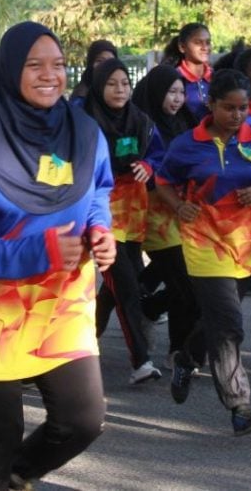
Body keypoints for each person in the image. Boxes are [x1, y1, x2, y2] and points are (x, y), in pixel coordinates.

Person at [0, 22, 115, 491]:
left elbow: (96, 192)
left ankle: (21, 473)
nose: (49, 75)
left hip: (62, 303)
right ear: (10, 72)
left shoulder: (85, 133)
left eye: (57, 65)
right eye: (34, 66)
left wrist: (101, 229)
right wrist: (38, 250)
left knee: (83, 419)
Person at [154, 69, 251, 435]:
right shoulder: (187, 143)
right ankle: (239, 404)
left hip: (245, 245)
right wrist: (178, 206)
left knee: (218, 320)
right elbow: (163, 181)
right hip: (202, 242)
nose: (236, 115)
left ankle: (187, 355)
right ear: (211, 104)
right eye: (228, 107)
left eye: (243, 108)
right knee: (229, 323)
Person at [84, 58, 163, 384]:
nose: (120, 90)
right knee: (127, 287)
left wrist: (149, 165)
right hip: (100, 217)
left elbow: (160, 153)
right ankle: (140, 361)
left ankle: (80, 345)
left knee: (118, 288)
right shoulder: (84, 122)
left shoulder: (141, 121)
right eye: (112, 83)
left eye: (125, 84)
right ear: (99, 86)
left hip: (133, 217)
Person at [131, 65, 198, 366]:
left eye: (181, 92)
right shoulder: (143, 124)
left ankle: (155, 317)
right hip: (156, 215)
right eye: (171, 92)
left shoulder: (187, 122)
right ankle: (176, 345)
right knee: (184, 283)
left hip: (186, 215)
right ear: (156, 92)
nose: (177, 99)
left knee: (182, 284)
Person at [161, 22, 212, 121]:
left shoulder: (218, 77)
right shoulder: (173, 78)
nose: (205, 47)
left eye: (208, 42)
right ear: (182, 47)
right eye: (198, 42)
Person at [69, 40, 118, 106]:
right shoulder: (80, 98)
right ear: (90, 64)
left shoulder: (120, 92)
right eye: (100, 61)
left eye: (111, 61)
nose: (106, 65)